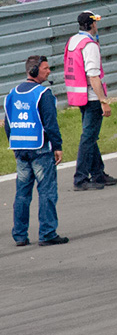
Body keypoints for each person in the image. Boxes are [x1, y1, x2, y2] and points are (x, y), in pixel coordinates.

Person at [4, 55, 66, 247]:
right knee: (47, 191)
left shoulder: (12, 94)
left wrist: (15, 145)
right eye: (45, 68)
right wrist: (57, 146)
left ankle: (20, 235)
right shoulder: (43, 94)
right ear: (34, 71)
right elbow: (51, 124)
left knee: (22, 194)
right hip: (40, 150)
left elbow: (8, 124)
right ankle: (47, 232)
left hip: (21, 149)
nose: (49, 71)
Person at [64, 10, 117, 191]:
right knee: (88, 137)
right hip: (92, 96)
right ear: (93, 24)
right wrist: (103, 100)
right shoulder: (90, 45)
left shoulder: (73, 41)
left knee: (90, 135)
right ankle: (80, 178)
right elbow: (93, 76)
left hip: (79, 95)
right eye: (96, 22)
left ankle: (98, 173)